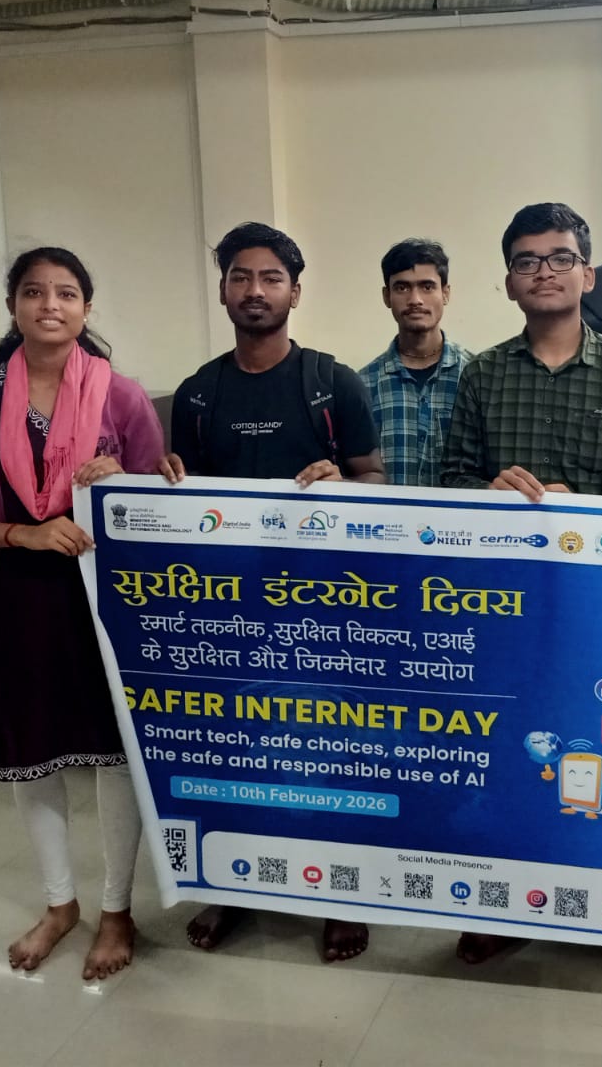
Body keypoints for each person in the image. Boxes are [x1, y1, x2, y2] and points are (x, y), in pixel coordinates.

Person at [441, 201, 602, 988]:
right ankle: (505, 905)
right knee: (506, 755)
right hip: (505, 609)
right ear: (509, 281)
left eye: (559, 257)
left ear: (588, 274)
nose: (543, 272)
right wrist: (485, 491)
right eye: (526, 261)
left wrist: (591, 505)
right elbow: (447, 484)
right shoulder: (483, 375)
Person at [0, 247, 164, 981]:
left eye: (65, 293)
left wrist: (121, 482)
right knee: (33, 756)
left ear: (86, 308)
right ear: (13, 306)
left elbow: (158, 501)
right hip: (13, 601)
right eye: (33, 292)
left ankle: (117, 909)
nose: (49, 305)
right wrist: (18, 533)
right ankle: (60, 903)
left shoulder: (121, 395)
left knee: (113, 757)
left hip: (101, 601)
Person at [157, 220, 385, 961]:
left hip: (326, 608)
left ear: (295, 291)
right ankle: (234, 886)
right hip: (230, 611)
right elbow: (183, 500)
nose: (255, 290)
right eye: (240, 277)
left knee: (330, 749)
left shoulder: (332, 383)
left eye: (271, 278)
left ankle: (341, 895)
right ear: (223, 290)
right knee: (237, 750)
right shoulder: (197, 393)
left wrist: (341, 482)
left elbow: (375, 480)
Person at [359, 238, 472, 487]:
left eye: (427, 286)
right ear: (386, 296)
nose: (415, 299)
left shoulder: (474, 376)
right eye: (402, 288)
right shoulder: (363, 384)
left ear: (446, 293)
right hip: (386, 514)